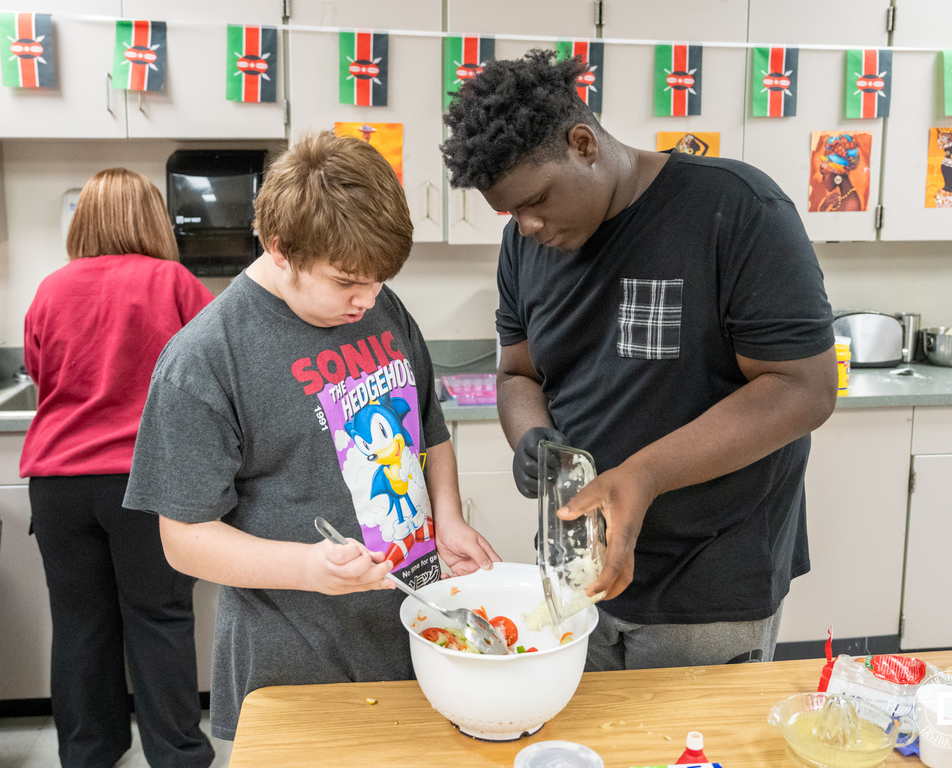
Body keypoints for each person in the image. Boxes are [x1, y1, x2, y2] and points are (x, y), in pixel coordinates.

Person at [441, 50, 837, 671]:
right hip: (576, 576)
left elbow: (804, 388)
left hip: (708, 581)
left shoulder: (736, 211)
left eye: (537, 199)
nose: (528, 224)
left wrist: (643, 475)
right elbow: (518, 373)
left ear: (583, 143)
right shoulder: (523, 246)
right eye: (511, 211)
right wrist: (533, 437)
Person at [123, 131, 499, 741]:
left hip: (414, 631)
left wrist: (448, 518)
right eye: (348, 281)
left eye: (380, 280)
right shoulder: (206, 358)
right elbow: (183, 539)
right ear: (280, 249)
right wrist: (309, 567)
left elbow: (429, 427)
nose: (367, 299)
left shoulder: (381, 306)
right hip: (295, 661)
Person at [20, 168, 216, 768]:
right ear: (152, 221)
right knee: (158, 619)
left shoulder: (50, 289)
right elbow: (211, 369)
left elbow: (37, 368)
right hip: (144, 482)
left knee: (79, 625)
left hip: (57, 486)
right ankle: (177, 755)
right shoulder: (174, 282)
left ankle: (88, 754)